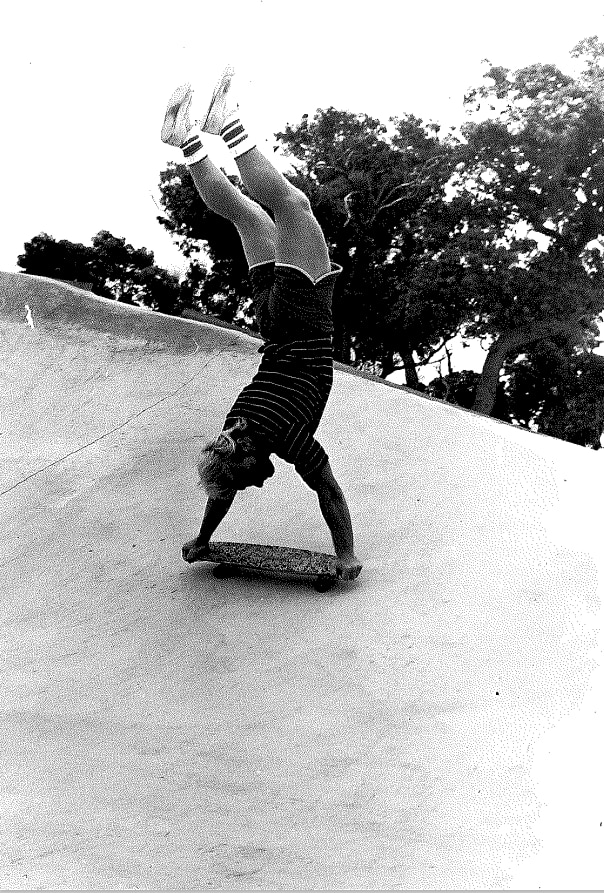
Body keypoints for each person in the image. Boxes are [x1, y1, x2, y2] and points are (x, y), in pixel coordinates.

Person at [162, 66, 361, 581]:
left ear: (246, 456)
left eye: (251, 480)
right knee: (249, 218)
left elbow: (329, 490)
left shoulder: (286, 437)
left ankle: (228, 126)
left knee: (293, 205)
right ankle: (186, 142)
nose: (260, 483)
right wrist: (203, 539)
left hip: (302, 318)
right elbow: (222, 483)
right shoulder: (232, 429)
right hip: (271, 322)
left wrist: (345, 555)